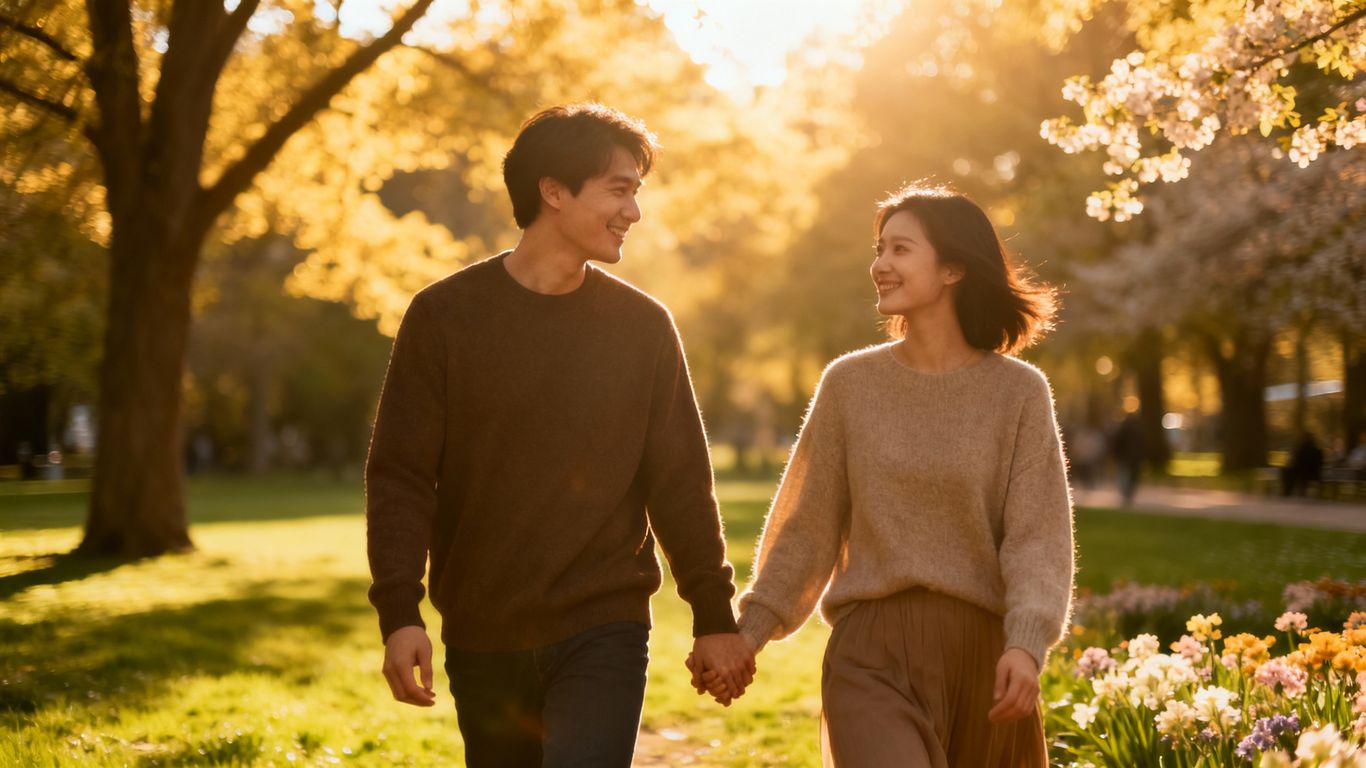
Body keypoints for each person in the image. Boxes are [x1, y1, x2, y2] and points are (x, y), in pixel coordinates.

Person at [366, 103, 754, 768]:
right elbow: (401, 474)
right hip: (484, 631)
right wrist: (401, 611)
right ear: (553, 190)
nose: (634, 211)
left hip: (604, 622)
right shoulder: (445, 317)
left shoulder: (643, 328)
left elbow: (680, 482)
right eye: (619, 189)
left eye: (637, 192)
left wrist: (714, 615)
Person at [696, 183, 1074, 767]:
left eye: (900, 250)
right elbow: (808, 527)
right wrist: (747, 637)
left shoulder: (1019, 394)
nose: (879, 265)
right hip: (869, 653)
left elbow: (1037, 539)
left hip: (981, 656)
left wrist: (1026, 645)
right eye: (879, 249)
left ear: (951, 268)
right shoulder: (849, 386)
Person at [1112, 410, 1145, 506]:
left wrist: (1116, 455)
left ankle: (1126, 494)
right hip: (1135, 457)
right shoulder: (1139, 429)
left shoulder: (1122, 428)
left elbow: (1117, 443)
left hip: (1124, 457)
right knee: (1132, 476)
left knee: (1123, 475)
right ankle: (1128, 494)